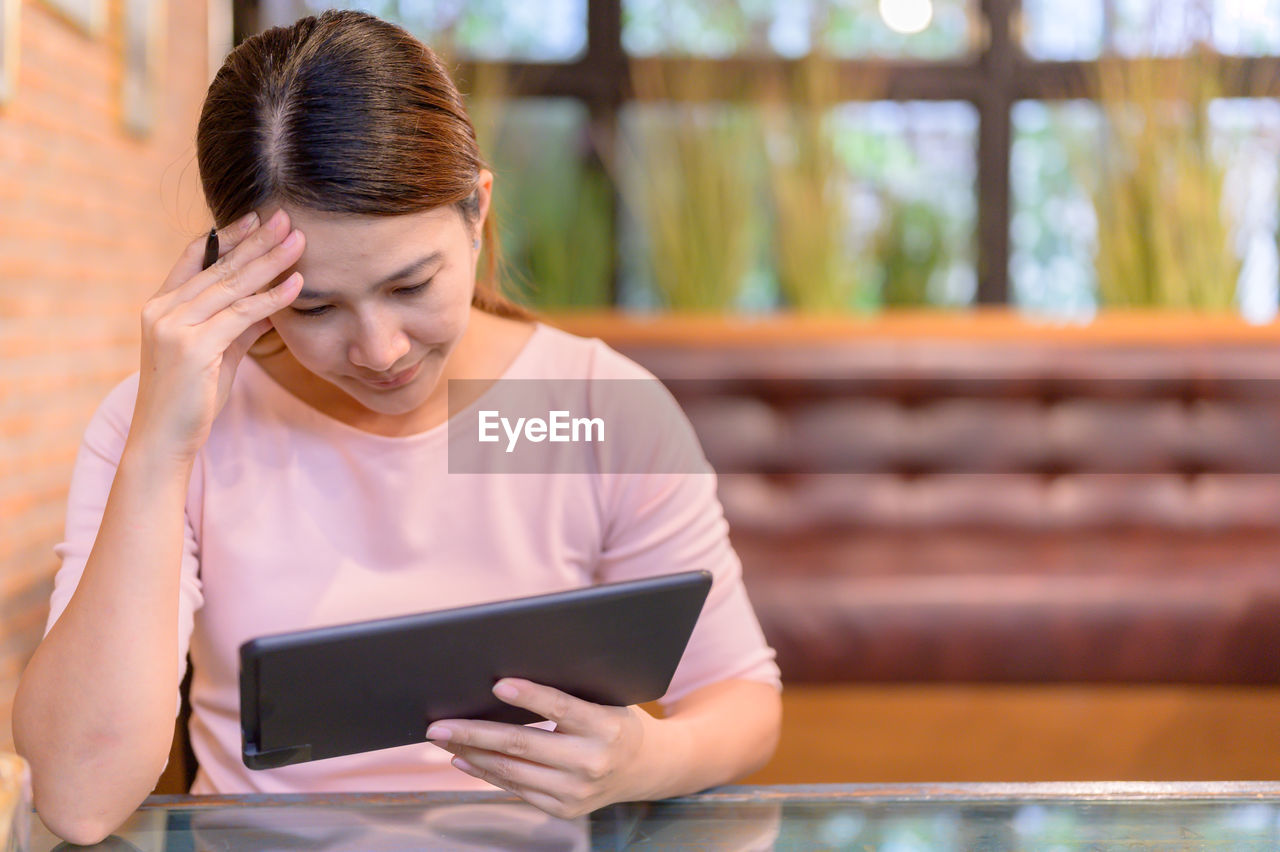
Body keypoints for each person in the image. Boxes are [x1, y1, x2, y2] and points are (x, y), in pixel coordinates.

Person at [11, 9, 781, 846]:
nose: (379, 350)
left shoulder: (595, 406)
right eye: (314, 306)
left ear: (477, 212)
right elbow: (79, 799)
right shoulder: (162, 421)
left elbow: (739, 693)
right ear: (229, 271)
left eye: (412, 286)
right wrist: (161, 447)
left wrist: (646, 760)